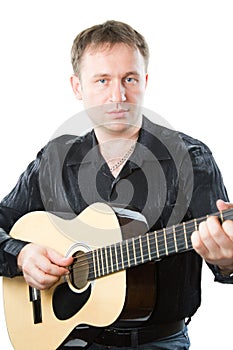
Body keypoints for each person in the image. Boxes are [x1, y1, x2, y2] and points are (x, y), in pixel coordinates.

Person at [0, 20, 233, 350]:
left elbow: (224, 261)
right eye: (102, 80)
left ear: (145, 81)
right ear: (78, 86)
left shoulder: (190, 159)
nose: (118, 95)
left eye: (130, 79)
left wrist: (227, 259)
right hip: (67, 339)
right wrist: (21, 255)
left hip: (158, 342)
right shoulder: (54, 159)